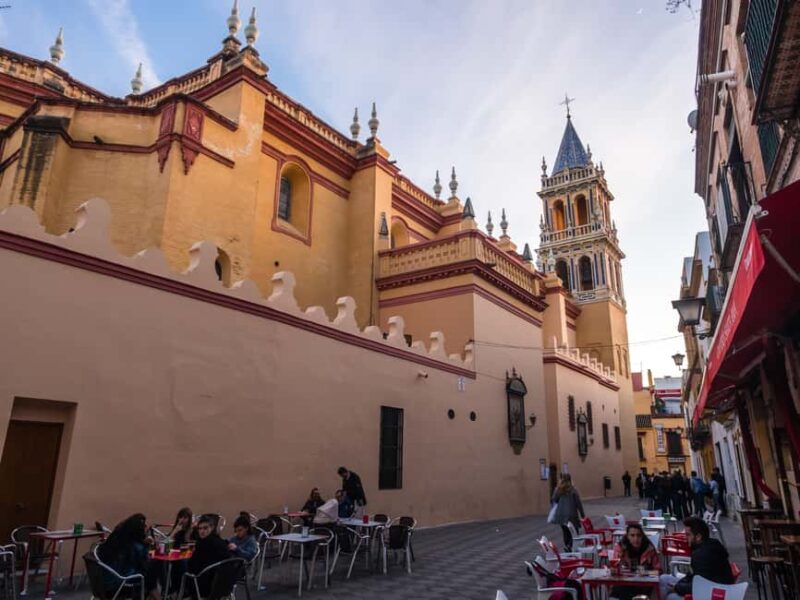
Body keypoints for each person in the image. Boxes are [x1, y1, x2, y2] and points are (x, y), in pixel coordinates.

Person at [659, 517, 734, 599]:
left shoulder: (702, 555)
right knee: (663, 579)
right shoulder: (711, 544)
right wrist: (679, 584)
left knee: (671, 597)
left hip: (713, 593)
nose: (686, 538)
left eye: (688, 535)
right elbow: (695, 577)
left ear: (698, 536)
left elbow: (701, 585)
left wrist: (677, 588)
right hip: (711, 587)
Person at [97, 514, 160, 599]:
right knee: (150, 573)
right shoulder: (135, 546)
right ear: (138, 530)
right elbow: (143, 563)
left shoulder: (115, 539)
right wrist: (147, 545)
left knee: (149, 575)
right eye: (144, 527)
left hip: (102, 585)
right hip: (120, 585)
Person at [610, 523, 661, 600]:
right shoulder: (620, 547)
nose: (636, 539)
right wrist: (615, 570)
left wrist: (646, 572)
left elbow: (659, 571)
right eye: (632, 535)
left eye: (638, 535)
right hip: (625, 584)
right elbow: (615, 567)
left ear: (642, 536)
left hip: (643, 584)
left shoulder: (649, 548)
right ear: (627, 536)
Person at [187, 515, 232, 598]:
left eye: (205, 528)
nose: (202, 531)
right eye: (200, 528)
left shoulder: (203, 544)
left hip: (205, 586)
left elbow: (193, 566)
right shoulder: (221, 542)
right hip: (225, 586)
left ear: (212, 528)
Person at [551, 474, 585, 552]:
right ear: (570, 480)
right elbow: (578, 503)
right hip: (571, 515)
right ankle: (570, 546)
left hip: (561, 515)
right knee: (574, 532)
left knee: (565, 532)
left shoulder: (558, 490)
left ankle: (567, 546)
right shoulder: (573, 490)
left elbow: (554, 499)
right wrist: (582, 514)